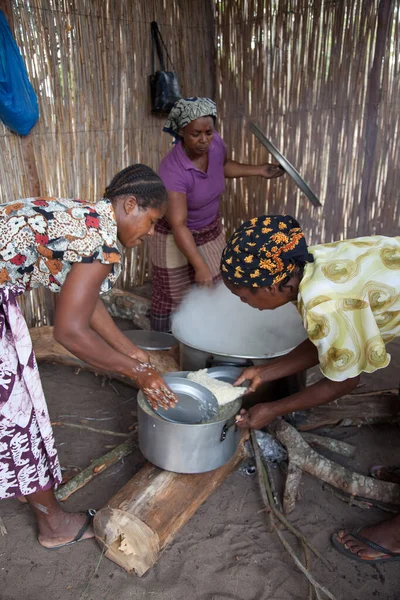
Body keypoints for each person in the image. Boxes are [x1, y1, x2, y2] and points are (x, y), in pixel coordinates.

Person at [0, 163, 177, 549]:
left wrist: (130, 351)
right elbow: (69, 331)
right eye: (150, 221)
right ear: (130, 204)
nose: (149, 233)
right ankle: (54, 525)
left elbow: (85, 302)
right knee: (17, 414)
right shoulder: (101, 238)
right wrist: (137, 373)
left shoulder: (86, 221)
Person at [220, 214, 400, 564]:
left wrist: (271, 409)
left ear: (271, 287)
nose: (247, 305)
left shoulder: (322, 301)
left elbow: (344, 381)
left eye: (245, 297)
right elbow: (327, 340)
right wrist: (266, 371)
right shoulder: (308, 263)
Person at [150, 97, 284, 332]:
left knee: (220, 286)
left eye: (208, 132)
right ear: (182, 132)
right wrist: (199, 265)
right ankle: (167, 347)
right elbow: (178, 224)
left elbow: (222, 166)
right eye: (196, 134)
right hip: (173, 234)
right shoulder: (172, 169)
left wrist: (259, 170)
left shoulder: (215, 144)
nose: (204, 140)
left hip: (208, 228)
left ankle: (213, 337)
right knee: (173, 294)